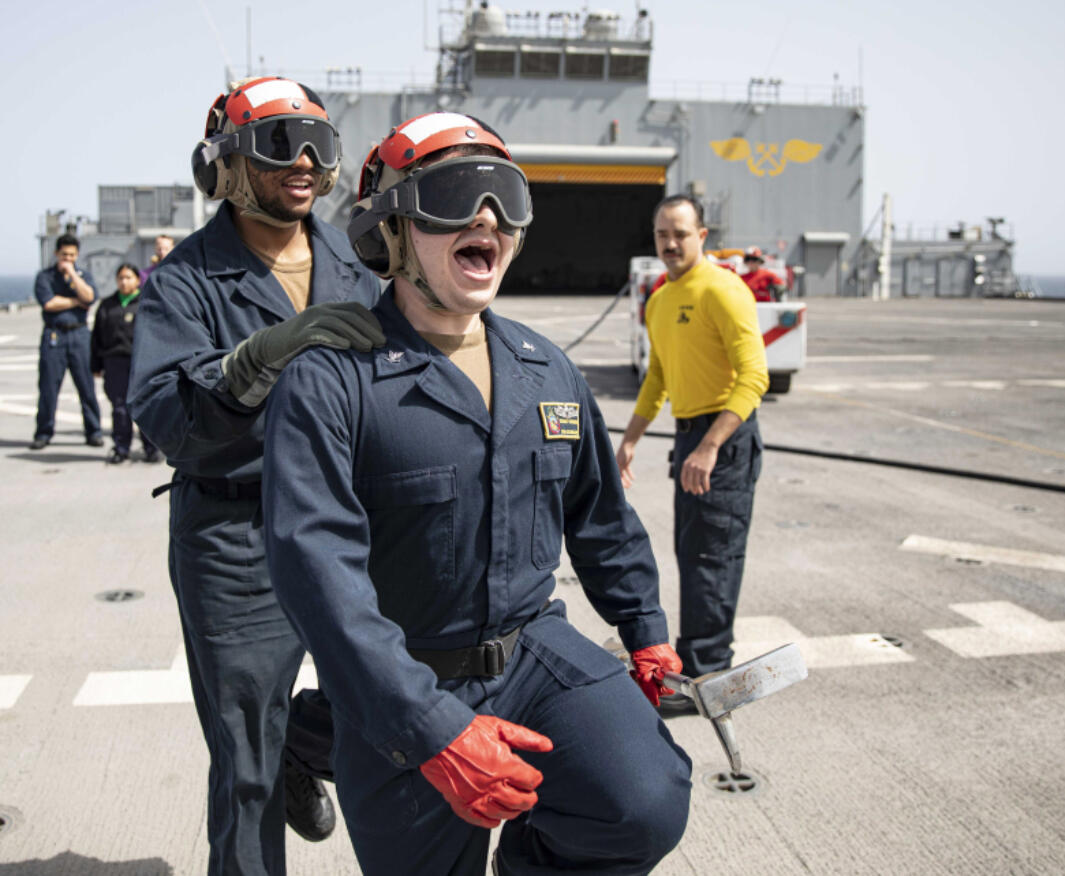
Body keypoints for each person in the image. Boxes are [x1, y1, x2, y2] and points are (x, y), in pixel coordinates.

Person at [262, 112, 692, 874]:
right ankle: (314, 738)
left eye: (504, 197)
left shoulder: (546, 369)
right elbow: (317, 576)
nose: (485, 218)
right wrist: (432, 729)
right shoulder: (329, 382)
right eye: (456, 194)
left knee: (644, 799)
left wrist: (644, 625)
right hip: (404, 675)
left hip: (533, 652)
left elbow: (601, 516)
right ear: (392, 229)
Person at [129, 76, 384, 875]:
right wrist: (255, 362)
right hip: (237, 536)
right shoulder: (184, 282)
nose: (305, 162)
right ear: (229, 165)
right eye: (281, 144)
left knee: (400, 699)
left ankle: (303, 745)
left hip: (348, 524)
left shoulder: (350, 255)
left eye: (320, 144)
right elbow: (168, 421)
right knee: (245, 767)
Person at [616, 195, 769, 715]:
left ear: (703, 236)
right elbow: (658, 376)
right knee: (691, 554)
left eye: (681, 233)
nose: (671, 243)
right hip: (689, 437)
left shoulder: (724, 291)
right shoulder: (659, 300)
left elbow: (755, 377)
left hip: (722, 440)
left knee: (712, 558)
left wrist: (709, 445)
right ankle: (698, 667)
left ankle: (711, 679)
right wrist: (632, 438)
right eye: (662, 234)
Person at [29, 233, 104, 450]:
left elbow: (89, 297)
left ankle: (93, 431)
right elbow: (49, 303)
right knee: (48, 388)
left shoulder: (83, 275)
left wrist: (72, 274)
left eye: (72, 255)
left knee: (86, 387)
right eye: (64, 255)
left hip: (80, 335)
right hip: (54, 335)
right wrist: (76, 301)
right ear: (56, 253)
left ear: (77, 255)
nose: (68, 259)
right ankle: (43, 432)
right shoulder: (45, 277)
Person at [90, 263, 161, 464]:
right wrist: (96, 365)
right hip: (114, 362)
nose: (124, 281)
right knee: (119, 408)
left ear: (138, 280)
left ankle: (151, 448)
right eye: (121, 278)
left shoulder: (147, 303)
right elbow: (96, 337)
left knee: (146, 405)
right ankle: (121, 447)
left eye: (128, 277)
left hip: (141, 362)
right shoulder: (107, 305)